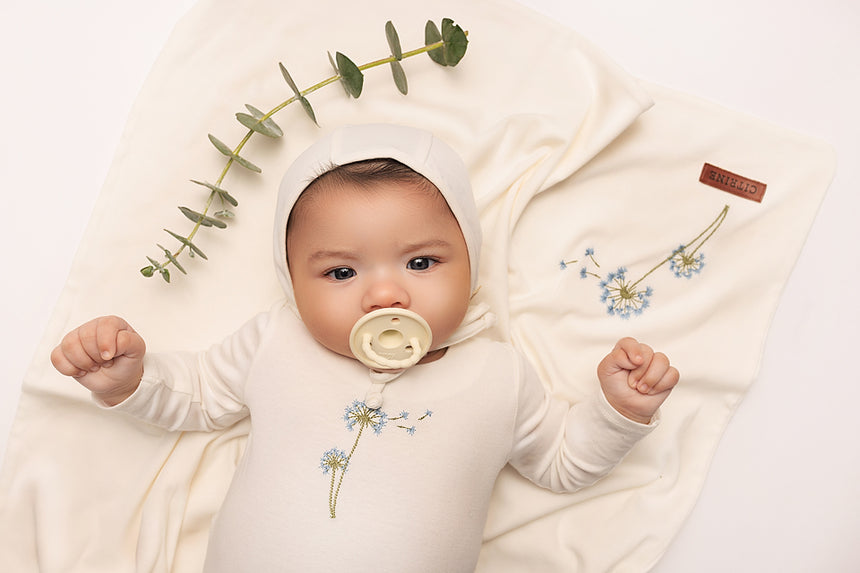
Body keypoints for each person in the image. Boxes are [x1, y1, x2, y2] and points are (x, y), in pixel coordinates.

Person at [51, 124, 679, 571]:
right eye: (341, 273)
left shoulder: (499, 375)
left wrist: (617, 410)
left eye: (422, 261)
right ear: (293, 284)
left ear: (472, 266)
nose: (385, 294)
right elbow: (195, 396)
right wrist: (129, 379)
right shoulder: (278, 340)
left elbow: (563, 464)